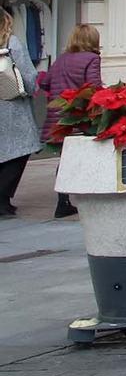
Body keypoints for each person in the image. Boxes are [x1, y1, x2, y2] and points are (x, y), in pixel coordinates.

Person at [35, 23, 98, 219]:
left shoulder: (61, 60)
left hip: (57, 118)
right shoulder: (92, 59)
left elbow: (44, 82)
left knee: (64, 160)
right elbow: (93, 87)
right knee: (85, 158)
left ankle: (63, 201)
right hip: (77, 117)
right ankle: (88, 199)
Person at [0, 11, 34, 220]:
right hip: (11, 106)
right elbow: (27, 75)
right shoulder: (11, 43)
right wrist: (30, 88)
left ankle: (5, 201)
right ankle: (2, 199)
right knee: (20, 152)